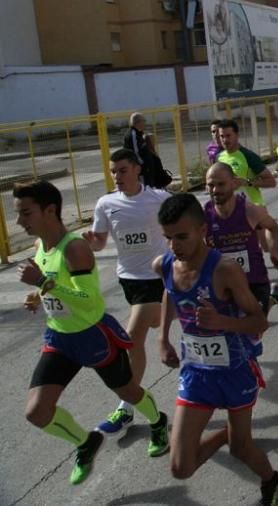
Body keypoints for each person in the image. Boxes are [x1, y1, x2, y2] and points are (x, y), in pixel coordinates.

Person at [14, 180, 169, 485]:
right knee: (36, 412)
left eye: (26, 213)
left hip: (92, 337)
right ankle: (86, 443)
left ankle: (158, 421)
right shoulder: (39, 247)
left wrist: (43, 284)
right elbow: (53, 288)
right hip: (59, 339)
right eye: (18, 214)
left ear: (50, 211)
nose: (20, 222)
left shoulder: (75, 248)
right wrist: (36, 297)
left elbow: (89, 302)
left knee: (128, 392)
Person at [155, 194, 278, 505]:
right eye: (168, 238)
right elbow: (169, 293)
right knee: (180, 467)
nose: (174, 245)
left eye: (181, 236)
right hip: (196, 374)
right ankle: (228, 434)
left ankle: (272, 481)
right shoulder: (165, 264)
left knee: (241, 450)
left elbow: (258, 322)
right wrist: (163, 337)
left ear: (202, 230)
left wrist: (221, 321)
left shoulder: (224, 270)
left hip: (235, 370)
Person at [84, 149, 172, 437]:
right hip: (129, 281)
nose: (117, 176)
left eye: (122, 170)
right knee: (143, 335)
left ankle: (125, 407)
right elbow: (99, 244)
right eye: (113, 171)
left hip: (157, 277)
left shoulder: (160, 199)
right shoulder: (106, 203)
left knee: (132, 339)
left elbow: (181, 229)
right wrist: (91, 241)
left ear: (137, 169)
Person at [204, 162, 278, 317]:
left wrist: (274, 250)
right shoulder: (204, 217)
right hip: (223, 283)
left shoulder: (250, 210)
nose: (215, 190)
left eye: (221, 184)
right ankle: (275, 295)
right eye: (211, 185)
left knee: (256, 327)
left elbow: (272, 227)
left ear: (234, 183)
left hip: (253, 281)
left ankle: (273, 296)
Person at [216, 119, 277, 207]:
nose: (225, 140)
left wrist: (247, 182)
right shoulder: (219, 157)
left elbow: (271, 182)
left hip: (253, 208)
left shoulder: (249, 156)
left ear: (237, 135)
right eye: (222, 136)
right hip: (231, 210)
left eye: (228, 136)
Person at [124, 112, 171, 189]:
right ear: (138, 122)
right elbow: (135, 152)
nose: (145, 123)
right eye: (144, 121)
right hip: (142, 170)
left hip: (148, 169)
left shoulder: (139, 133)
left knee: (151, 187)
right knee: (145, 188)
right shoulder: (133, 134)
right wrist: (143, 166)